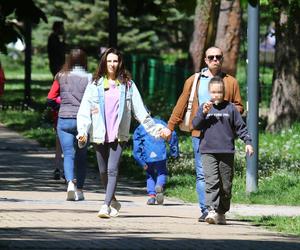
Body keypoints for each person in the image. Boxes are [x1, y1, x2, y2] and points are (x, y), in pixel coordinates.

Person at [76, 47, 165, 218]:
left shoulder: (128, 85)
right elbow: (84, 111)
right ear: (104, 62)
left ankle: (105, 205)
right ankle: (114, 200)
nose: (112, 64)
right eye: (109, 61)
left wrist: (155, 130)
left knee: (112, 169)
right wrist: (82, 131)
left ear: (120, 63)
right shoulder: (95, 85)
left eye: (115, 61)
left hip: (119, 134)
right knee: (102, 171)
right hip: (99, 134)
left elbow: (140, 111)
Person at [161, 46, 244, 222]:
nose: (215, 60)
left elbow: (239, 106)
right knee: (202, 174)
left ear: (222, 59)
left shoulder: (231, 82)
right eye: (211, 57)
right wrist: (170, 126)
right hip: (199, 133)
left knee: (223, 179)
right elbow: (181, 104)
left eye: (218, 57)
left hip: (222, 135)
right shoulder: (194, 80)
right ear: (205, 60)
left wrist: (223, 107)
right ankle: (207, 210)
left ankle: (219, 209)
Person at [192, 76, 254, 225]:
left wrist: (248, 142)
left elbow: (240, 127)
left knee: (226, 185)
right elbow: (195, 125)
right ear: (209, 92)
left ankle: (221, 212)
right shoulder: (205, 107)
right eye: (213, 92)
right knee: (211, 181)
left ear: (224, 92)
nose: (216, 95)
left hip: (226, 151)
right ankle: (211, 210)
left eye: (219, 92)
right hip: (208, 151)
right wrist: (203, 114)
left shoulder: (231, 108)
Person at [47, 49, 92, 201]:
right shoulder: (90, 78)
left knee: (68, 154)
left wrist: (62, 104)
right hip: (83, 121)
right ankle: (79, 190)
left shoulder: (60, 76)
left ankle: (70, 184)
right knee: (81, 155)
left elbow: (51, 99)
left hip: (64, 119)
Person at [133, 115, 179, 205]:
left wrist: (141, 162)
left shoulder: (140, 128)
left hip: (147, 156)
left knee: (150, 175)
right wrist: (174, 152)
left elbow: (136, 148)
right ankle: (159, 185)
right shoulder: (161, 123)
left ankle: (152, 197)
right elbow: (173, 134)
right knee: (162, 172)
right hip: (160, 154)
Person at [47, 21, 66, 180]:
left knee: (59, 140)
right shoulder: (54, 39)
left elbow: (51, 97)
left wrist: (56, 105)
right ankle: (66, 170)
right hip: (74, 113)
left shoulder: (59, 77)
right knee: (70, 143)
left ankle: (58, 168)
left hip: (61, 113)